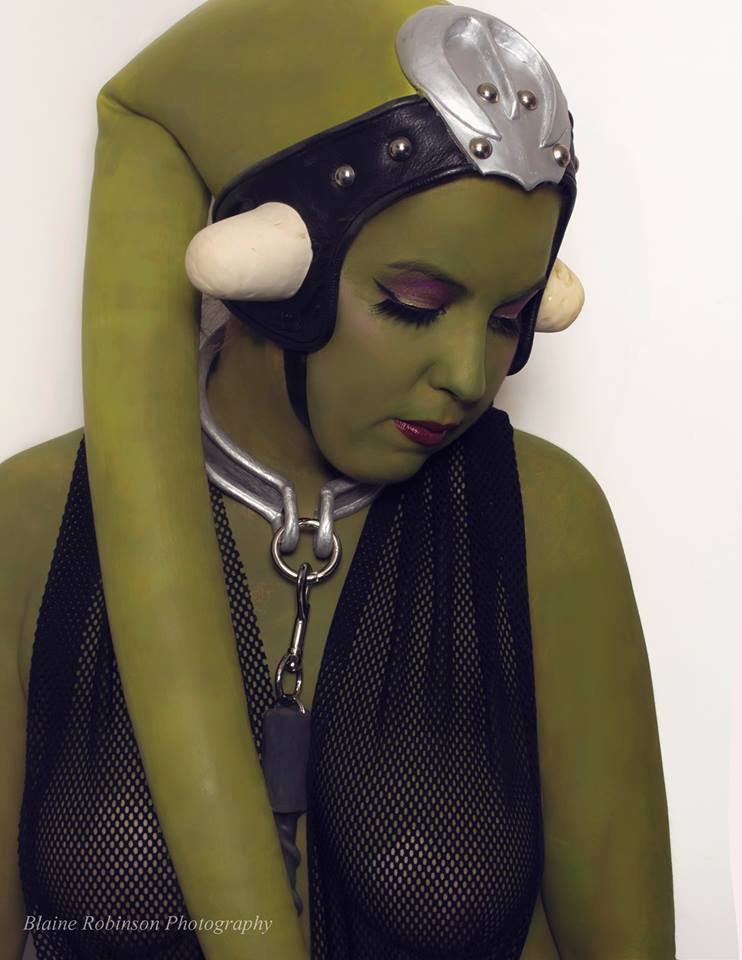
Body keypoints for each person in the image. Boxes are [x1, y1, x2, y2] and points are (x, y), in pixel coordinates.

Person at [0, 0, 677, 958]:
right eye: (414, 303)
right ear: (281, 283)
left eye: (508, 317)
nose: (468, 376)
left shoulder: (544, 521)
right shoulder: (29, 525)